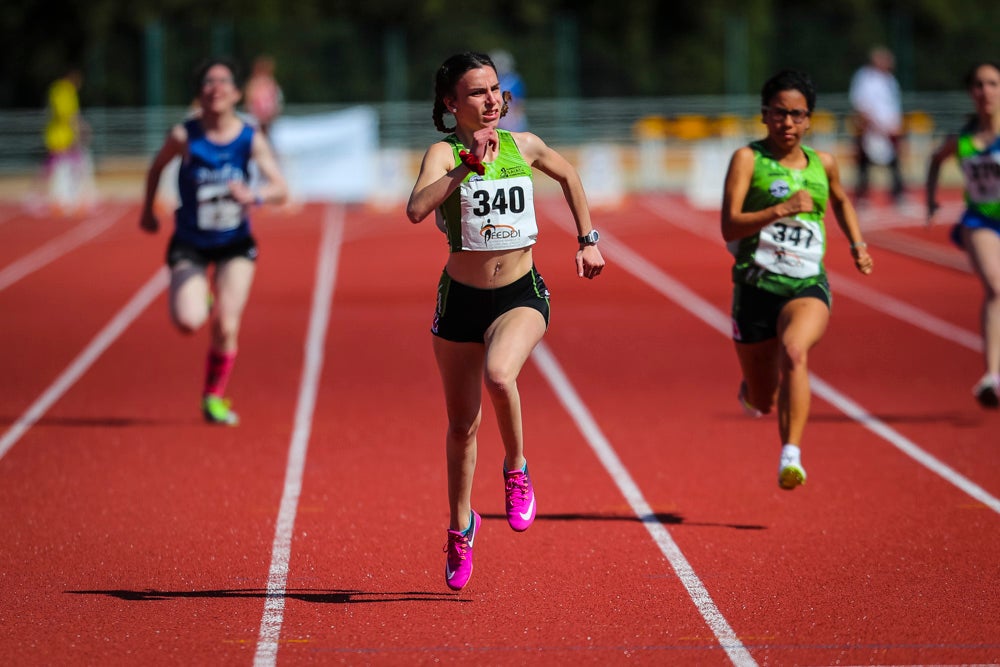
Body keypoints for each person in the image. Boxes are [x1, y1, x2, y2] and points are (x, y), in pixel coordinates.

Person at [406, 52, 605, 590]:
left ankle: (516, 468)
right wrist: (465, 167)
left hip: (520, 293)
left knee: (500, 374)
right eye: (476, 92)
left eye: (495, 89)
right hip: (460, 303)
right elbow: (416, 208)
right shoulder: (443, 153)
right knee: (461, 426)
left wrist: (588, 240)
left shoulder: (525, 146)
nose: (491, 99)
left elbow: (569, 176)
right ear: (451, 104)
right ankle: (460, 526)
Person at [721, 70, 874, 490]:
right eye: (779, 113)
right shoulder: (748, 160)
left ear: (809, 120)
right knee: (763, 397)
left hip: (807, 283)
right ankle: (753, 391)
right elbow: (729, 227)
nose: (787, 122)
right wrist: (781, 209)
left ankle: (791, 454)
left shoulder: (823, 163)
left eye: (797, 114)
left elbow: (841, 201)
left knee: (794, 351)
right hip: (755, 287)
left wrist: (857, 243)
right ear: (764, 115)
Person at [139, 57, 288, 425]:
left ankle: (213, 397)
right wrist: (147, 210)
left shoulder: (250, 137)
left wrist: (253, 196)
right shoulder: (183, 135)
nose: (216, 86)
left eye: (224, 81)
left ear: (236, 92)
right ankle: (200, 297)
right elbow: (157, 167)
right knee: (189, 321)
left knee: (226, 324)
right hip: (190, 241)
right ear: (200, 93)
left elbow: (281, 188)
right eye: (208, 81)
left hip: (234, 243)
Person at [926, 61, 1000, 409]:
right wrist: (930, 200)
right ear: (971, 93)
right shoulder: (963, 140)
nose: (985, 91)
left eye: (992, 84)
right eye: (979, 85)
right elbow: (936, 159)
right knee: (996, 287)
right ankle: (992, 376)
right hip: (980, 221)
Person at [849, 46, 905, 205]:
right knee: (864, 164)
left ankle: (898, 195)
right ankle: (862, 198)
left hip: (889, 129)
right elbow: (861, 104)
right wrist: (873, 124)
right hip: (870, 129)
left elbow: (893, 105)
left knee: (894, 163)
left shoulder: (890, 80)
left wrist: (895, 125)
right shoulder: (864, 77)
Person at [37, 67, 94, 214]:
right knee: (62, 170)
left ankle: (66, 201)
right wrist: (80, 128)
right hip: (61, 137)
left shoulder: (60, 90)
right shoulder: (64, 91)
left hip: (62, 136)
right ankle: (61, 202)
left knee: (64, 170)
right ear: (73, 77)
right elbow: (67, 114)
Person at [244, 54, 284, 140]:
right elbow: (249, 99)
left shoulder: (271, 82)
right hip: (257, 114)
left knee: (266, 134)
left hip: (268, 114)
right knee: (258, 133)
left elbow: (276, 97)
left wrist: (275, 110)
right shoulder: (254, 83)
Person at [490, 49, 527, 132]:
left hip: (510, 118)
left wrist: (517, 118)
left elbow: (519, 103)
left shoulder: (514, 80)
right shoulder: (491, 79)